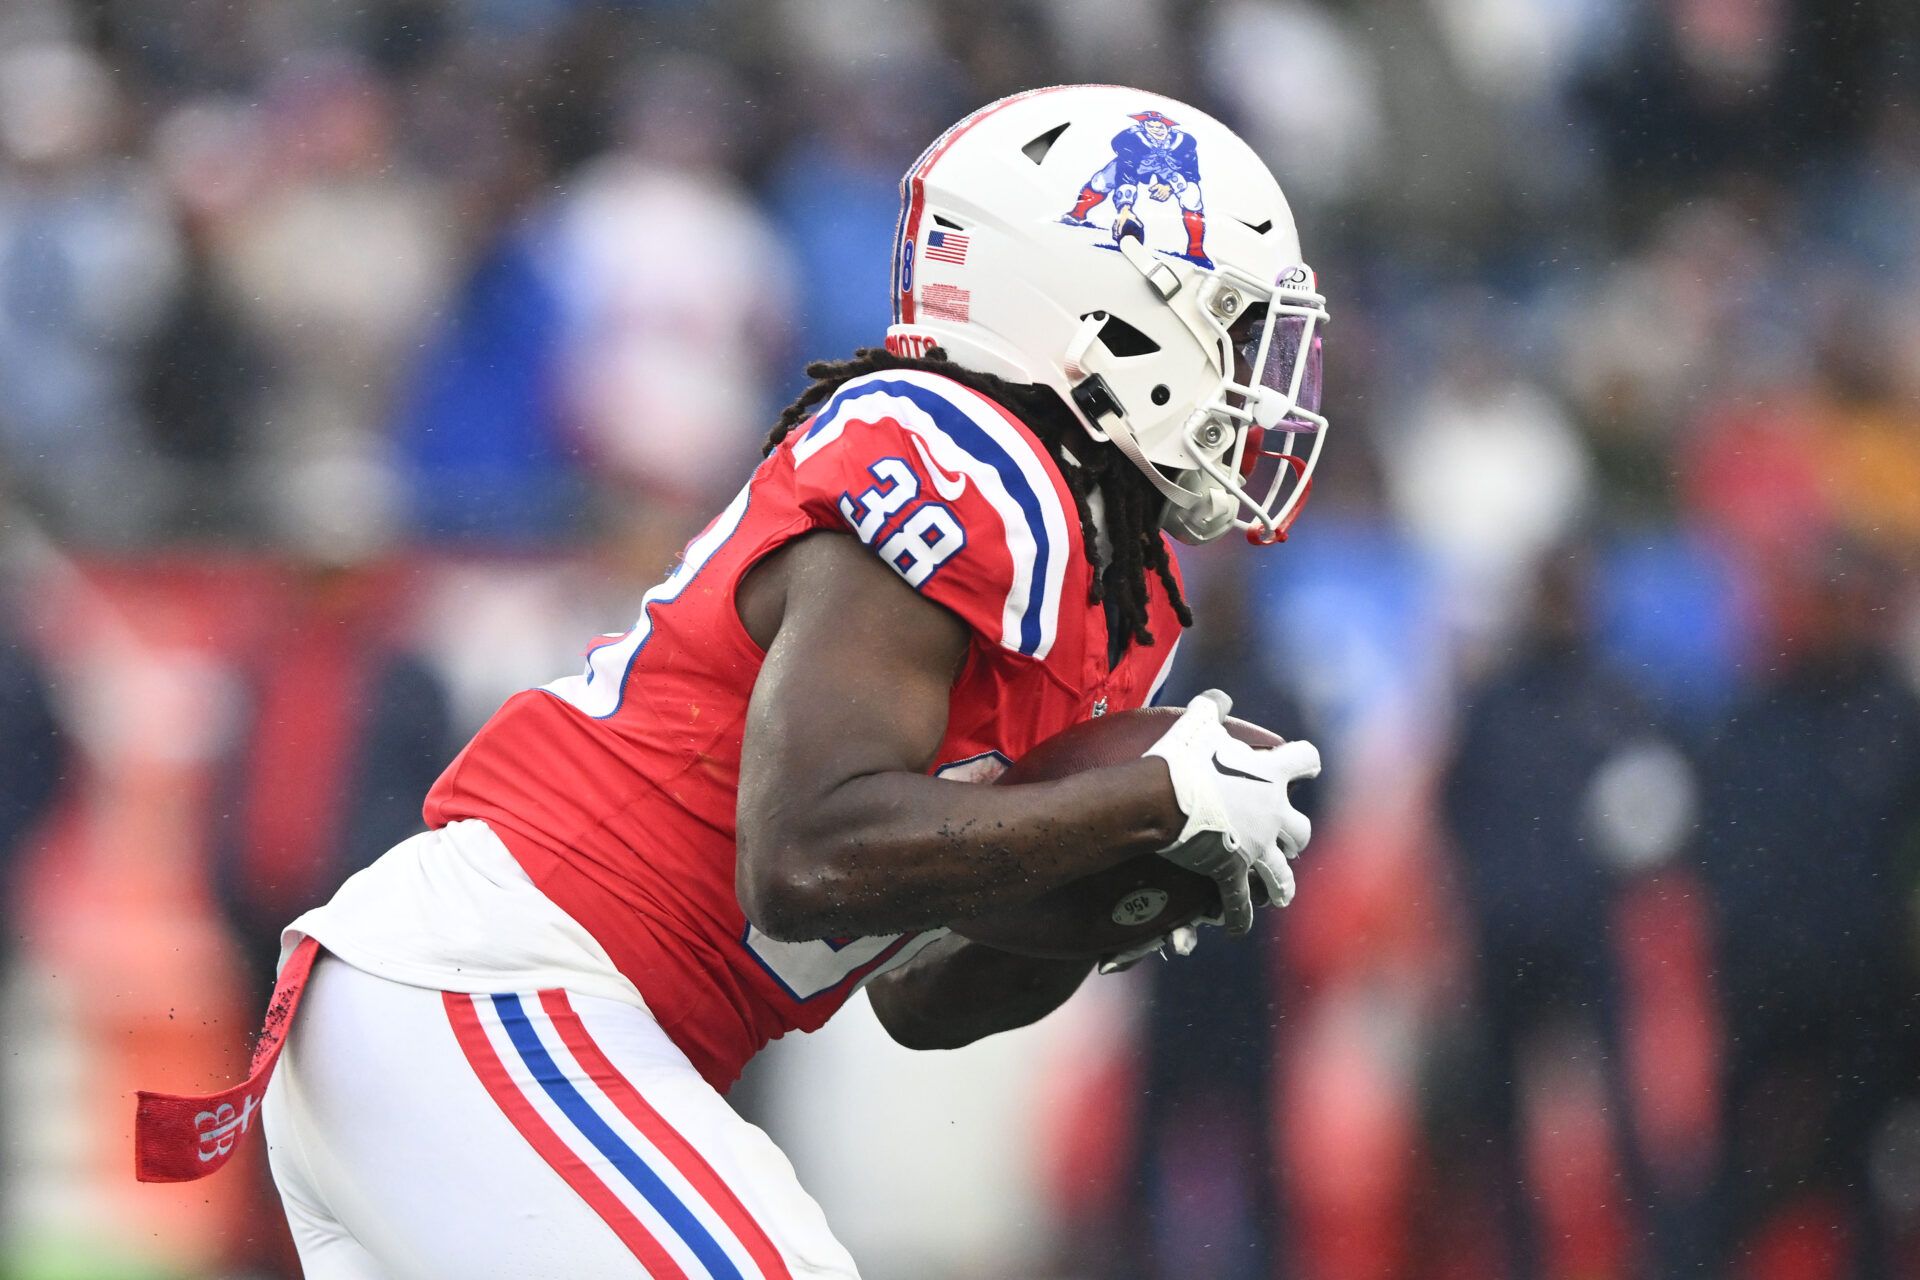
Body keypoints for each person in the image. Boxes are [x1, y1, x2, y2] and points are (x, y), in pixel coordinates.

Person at [177, 85, 1334, 1277]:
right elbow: (805, 859)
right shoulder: (960, 455)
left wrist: (1127, 889)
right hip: (502, 990)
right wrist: (1149, 798)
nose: (1266, 377)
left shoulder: (1118, 592)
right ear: (1100, 307)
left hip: (500, 1028)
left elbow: (921, 998)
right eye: (1233, 326)